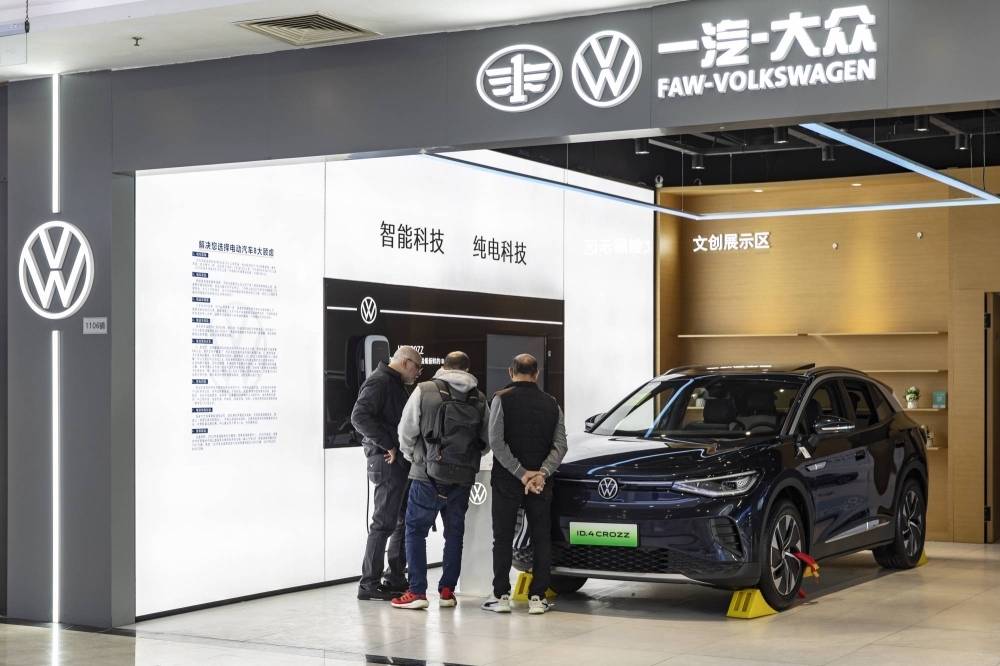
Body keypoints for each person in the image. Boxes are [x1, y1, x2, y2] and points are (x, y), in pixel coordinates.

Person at [391, 352, 490, 610]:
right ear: (468, 368)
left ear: (443, 367)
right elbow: (486, 443)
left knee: (414, 531)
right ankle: (447, 591)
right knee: (454, 534)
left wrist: (416, 458)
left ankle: (417, 592)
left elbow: (406, 431)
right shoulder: (479, 398)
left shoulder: (424, 390)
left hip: (426, 476)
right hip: (462, 479)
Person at [484, 354, 567, 615]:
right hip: (542, 484)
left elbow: (496, 442)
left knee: (503, 537)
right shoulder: (552, 404)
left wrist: (521, 474)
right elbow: (560, 445)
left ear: (511, 372)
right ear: (537, 374)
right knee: (542, 537)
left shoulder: (501, 398)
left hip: (508, 481)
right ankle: (537, 598)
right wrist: (541, 474)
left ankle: (501, 596)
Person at [352, 345, 423, 601]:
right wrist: (388, 444)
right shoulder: (380, 381)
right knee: (383, 524)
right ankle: (368, 584)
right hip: (386, 461)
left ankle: (394, 577)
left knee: (400, 522)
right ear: (405, 362)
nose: (418, 374)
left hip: (398, 462)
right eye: (417, 367)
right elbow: (359, 417)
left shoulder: (392, 383)